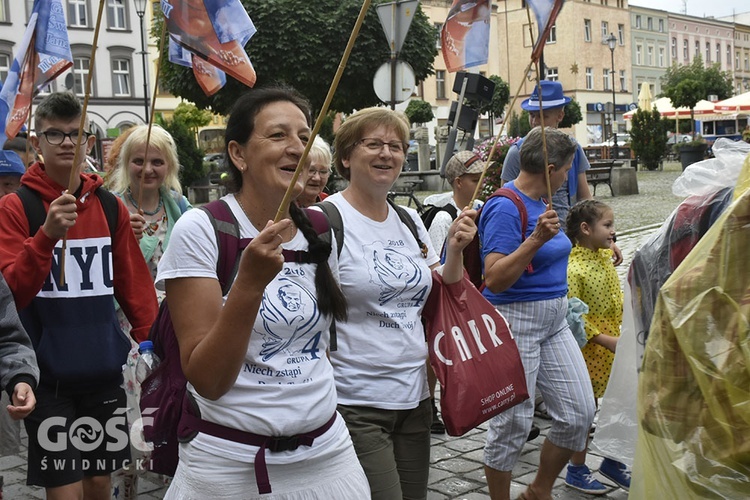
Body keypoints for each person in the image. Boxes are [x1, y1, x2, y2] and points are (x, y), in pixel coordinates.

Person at [155, 86, 371, 499]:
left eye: (305, 136)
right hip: (229, 468)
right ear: (238, 154)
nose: (297, 148)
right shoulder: (202, 229)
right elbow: (208, 379)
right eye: (278, 136)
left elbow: (316, 345)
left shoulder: (322, 229)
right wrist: (250, 283)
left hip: (328, 457)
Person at [0, 92, 158, 499]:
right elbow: (12, 291)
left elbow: (134, 285)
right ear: (37, 143)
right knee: (64, 488)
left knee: (99, 482)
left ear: (89, 142)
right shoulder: (16, 208)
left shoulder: (109, 207)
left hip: (103, 373)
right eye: (55, 134)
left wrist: (156, 344)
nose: (67, 143)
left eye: (76, 134)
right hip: (47, 377)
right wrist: (47, 236)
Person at [325, 106, 477, 499]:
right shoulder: (324, 220)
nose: (386, 154)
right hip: (355, 400)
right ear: (345, 156)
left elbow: (443, 286)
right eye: (373, 144)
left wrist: (456, 251)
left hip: (415, 396)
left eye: (396, 146)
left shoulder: (409, 218)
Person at [479, 126, 596, 500]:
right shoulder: (504, 205)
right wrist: (536, 239)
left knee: (580, 413)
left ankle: (538, 490)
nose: (567, 178)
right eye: (565, 170)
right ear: (549, 168)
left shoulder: (542, 203)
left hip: (554, 321)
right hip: (517, 322)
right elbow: (495, 279)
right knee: (512, 422)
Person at [104, 124, 191, 496]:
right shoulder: (109, 206)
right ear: (127, 163)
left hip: (170, 326)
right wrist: (123, 240)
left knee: (170, 407)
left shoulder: (181, 207)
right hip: (124, 327)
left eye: (157, 161)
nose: (148, 169)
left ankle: (176, 484)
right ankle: (125, 487)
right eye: (139, 160)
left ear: (168, 165)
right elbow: (100, 275)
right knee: (129, 414)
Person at [500, 81, 623, 266]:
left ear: (560, 115)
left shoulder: (573, 149)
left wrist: (608, 239)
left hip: (570, 238)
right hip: (533, 240)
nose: (535, 122)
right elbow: (505, 199)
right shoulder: (517, 152)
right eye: (532, 115)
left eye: (543, 116)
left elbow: (585, 199)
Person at [564, 200, 630, 494]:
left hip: (614, 341)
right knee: (586, 410)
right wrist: (605, 340)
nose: (613, 232)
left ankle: (613, 461)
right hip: (591, 350)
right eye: (608, 226)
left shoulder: (602, 255)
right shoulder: (574, 268)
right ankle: (576, 469)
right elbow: (573, 315)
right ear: (585, 229)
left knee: (618, 400)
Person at [296, 136, 331, 207]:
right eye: (311, 170)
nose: (317, 178)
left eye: (323, 171)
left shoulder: (331, 204)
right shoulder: (282, 206)